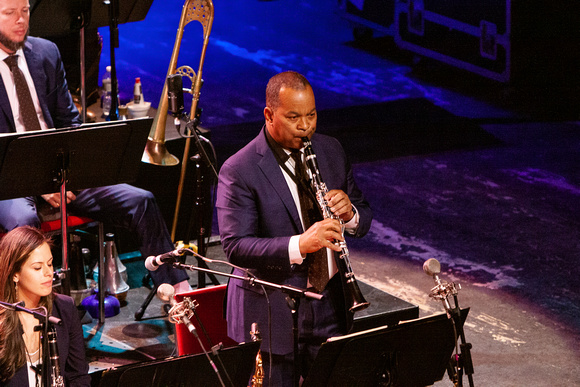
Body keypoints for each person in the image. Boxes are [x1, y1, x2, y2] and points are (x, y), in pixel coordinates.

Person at [0, 0, 189, 292]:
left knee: (142, 201)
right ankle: (30, 307)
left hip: (60, 168)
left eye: (24, 11)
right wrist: (38, 180)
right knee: (24, 222)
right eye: (10, 13)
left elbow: (69, 122)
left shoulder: (46, 53)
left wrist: (70, 170)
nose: (21, 20)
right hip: (10, 179)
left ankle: (178, 290)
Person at [216, 71, 372, 385]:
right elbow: (235, 246)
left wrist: (350, 213)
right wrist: (301, 244)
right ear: (269, 115)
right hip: (270, 309)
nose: (305, 126)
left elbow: (363, 216)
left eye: (311, 115)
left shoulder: (330, 150)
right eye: (293, 117)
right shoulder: (239, 169)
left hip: (329, 304)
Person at [0, 226, 90, 386]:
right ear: (15, 274)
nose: (48, 272)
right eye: (37, 267)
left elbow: (78, 376)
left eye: (50, 264)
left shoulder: (64, 308)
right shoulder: (2, 317)